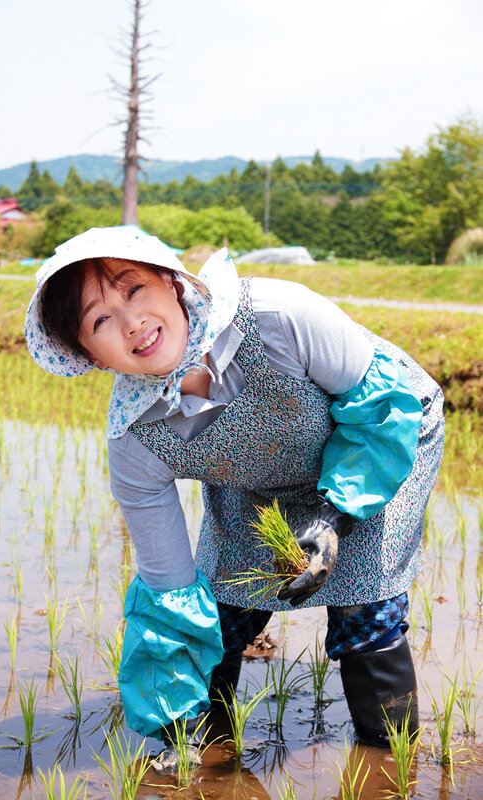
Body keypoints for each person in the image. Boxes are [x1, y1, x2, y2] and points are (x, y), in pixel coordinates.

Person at [25, 225, 444, 763]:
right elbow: (170, 592)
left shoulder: (276, 316)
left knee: (363, 605)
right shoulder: (137, 443)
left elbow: (380, 408)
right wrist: (172, 735)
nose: (133, 323)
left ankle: (392, 763)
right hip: (258, 482)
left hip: (382, 435)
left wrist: (333, 519)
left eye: (135, 291)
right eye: (100, 321)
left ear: (172, 284)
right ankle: (210, 750)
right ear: (92, 356)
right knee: (225, 612)